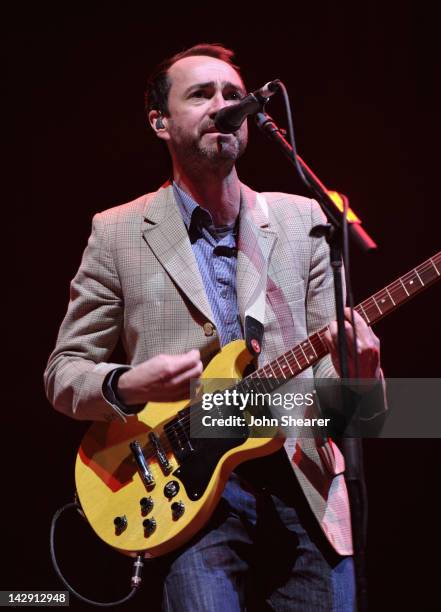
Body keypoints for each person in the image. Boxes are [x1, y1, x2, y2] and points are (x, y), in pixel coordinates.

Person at [44, 43, 385, 611]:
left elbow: (350, 412)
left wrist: (363, 375)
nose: (223, 105)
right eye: (201, 94)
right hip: (189, 493)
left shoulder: (305, 222)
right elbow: (62, 374)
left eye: (232, 95)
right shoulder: (118, 232)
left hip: (306, 490)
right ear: (160, 122)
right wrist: (131, 384)